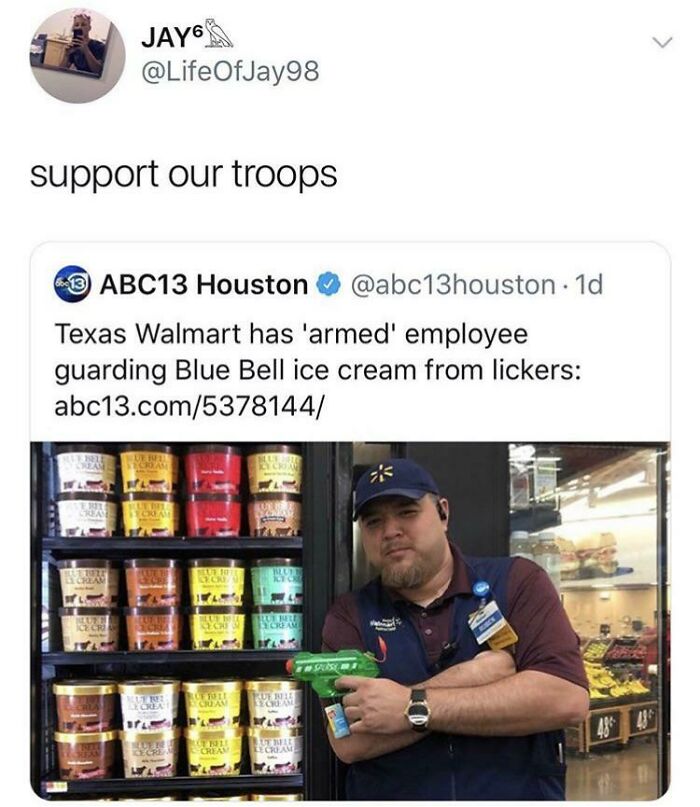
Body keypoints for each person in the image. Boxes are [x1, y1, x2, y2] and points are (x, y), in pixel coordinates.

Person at [321, 458, 589, 800]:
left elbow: (566, 699)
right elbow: (348, 741)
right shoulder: (348, 617)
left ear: (443, 513)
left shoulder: (518, 583)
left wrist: (408, 705)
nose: (390, 531)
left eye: (407, 512)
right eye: (374, 522)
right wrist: (472, 676)